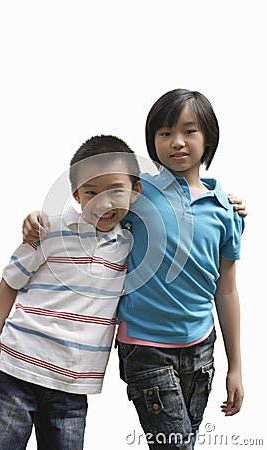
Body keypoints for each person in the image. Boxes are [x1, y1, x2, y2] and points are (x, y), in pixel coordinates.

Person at [22, 89, 246, 450]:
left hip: (201, 349)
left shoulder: (226, 211)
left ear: (209, 138)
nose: (177, 142)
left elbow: (228, 289)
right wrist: (38, 219)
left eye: (189, 131)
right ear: (152, 140)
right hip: (144, 346)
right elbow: (87, 209)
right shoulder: (138, 194)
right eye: (164, 133)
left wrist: (236, 367)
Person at [0, 135, 142, 450]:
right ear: (76, 194)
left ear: (135, 192)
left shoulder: (132, 246)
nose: (102, 203)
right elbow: (10, 280)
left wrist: (223, 201)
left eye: (115, 191)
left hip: (73, 385)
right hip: (16, 368)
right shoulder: (49, 229)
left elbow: (178, 207)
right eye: (91, 192)